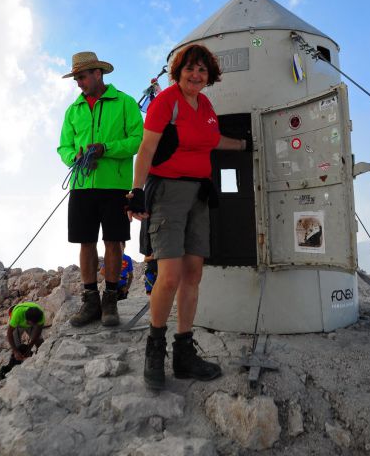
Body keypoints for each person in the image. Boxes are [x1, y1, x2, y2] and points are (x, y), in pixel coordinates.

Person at [127, 43, 248, 390]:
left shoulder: (206, 105)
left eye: (202, 71)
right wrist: (135, 190)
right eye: (190, 69)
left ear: (209, 76)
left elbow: (210, 140)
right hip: (168, 194)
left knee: (193, 274)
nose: (196, 75)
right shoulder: (167, 101)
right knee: (169, 275)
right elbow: (147, 149)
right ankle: (155, 350)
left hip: (199, 194)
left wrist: (241, 145)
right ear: (178, 71)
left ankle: (183, 354)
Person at [58, 51, 143, 327]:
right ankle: (91, 300)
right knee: (86, 241)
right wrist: (77, 157)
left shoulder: (125, 103)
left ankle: (110, 300)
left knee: (114, 241)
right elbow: (64, 147)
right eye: (76, 78)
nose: (78, 83)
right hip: (82, 186)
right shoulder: (73, 110)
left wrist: (105, 149)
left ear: (98, 73)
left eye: (81, 77)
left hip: (116, 186)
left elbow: (137, 140)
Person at [2, 302, 45, 374]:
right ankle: (14, 368)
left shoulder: (40, 317)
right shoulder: (17, 315)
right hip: (18, 324)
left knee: (40, 342)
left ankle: (41, 361)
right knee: (17, 347)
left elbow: (37, 333)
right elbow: (9, 334)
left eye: (33, 324)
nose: (29, 325)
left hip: (33, 321)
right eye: (29, 323)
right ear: (26, 319)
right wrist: (15, 351)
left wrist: (29, 348)